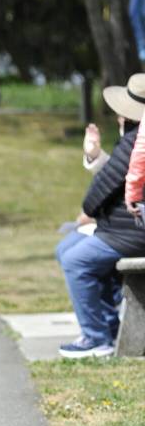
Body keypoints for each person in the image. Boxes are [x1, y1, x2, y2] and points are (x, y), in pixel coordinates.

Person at [58, 74, 145, 358]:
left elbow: (103, 187)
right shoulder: (132, 140)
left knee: (76, 260)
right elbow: (114, 177)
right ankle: (107, 327)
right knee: (67, 248)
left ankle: (96, 337)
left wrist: (88, 212)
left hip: (130, 232)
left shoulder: (134, 141)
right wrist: (95, 154)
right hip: (122, 227)